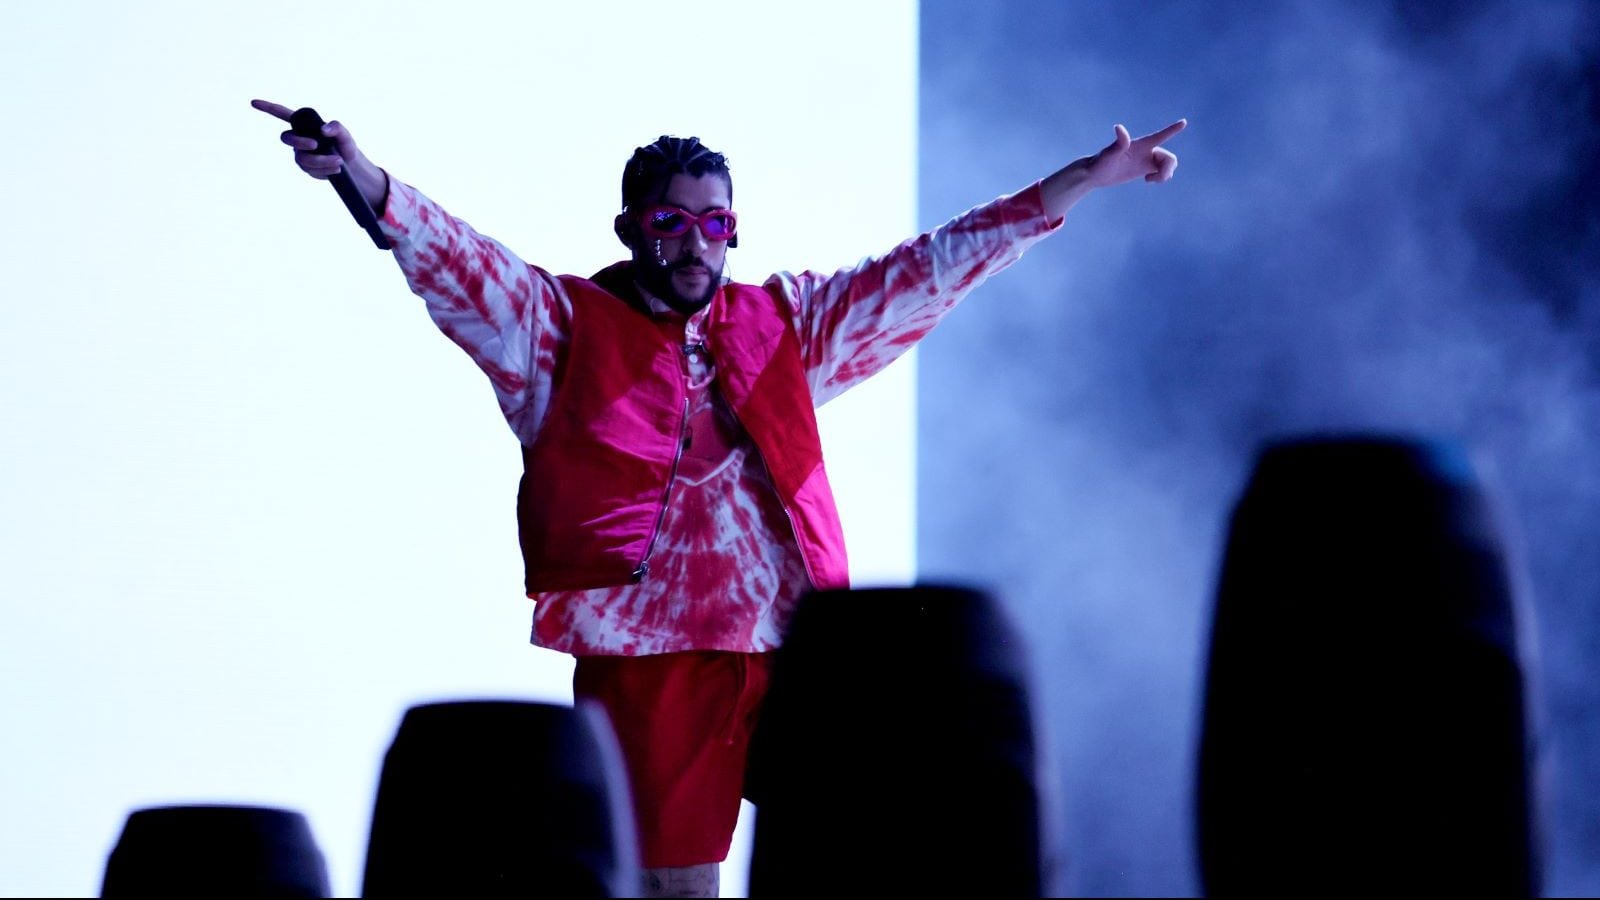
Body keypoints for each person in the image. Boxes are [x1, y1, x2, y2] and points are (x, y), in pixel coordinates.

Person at [253, 97, 1183, 898]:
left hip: (794, 653)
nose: (695, 241)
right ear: (631, 228)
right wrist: (360, 178)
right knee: (671, 890)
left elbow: (927, 270)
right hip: (652, 660)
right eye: (671, 220)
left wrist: (1075, 185)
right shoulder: (563, 332)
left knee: (872, 856)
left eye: (715, 222)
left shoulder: (785, 324)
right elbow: (456, 261)